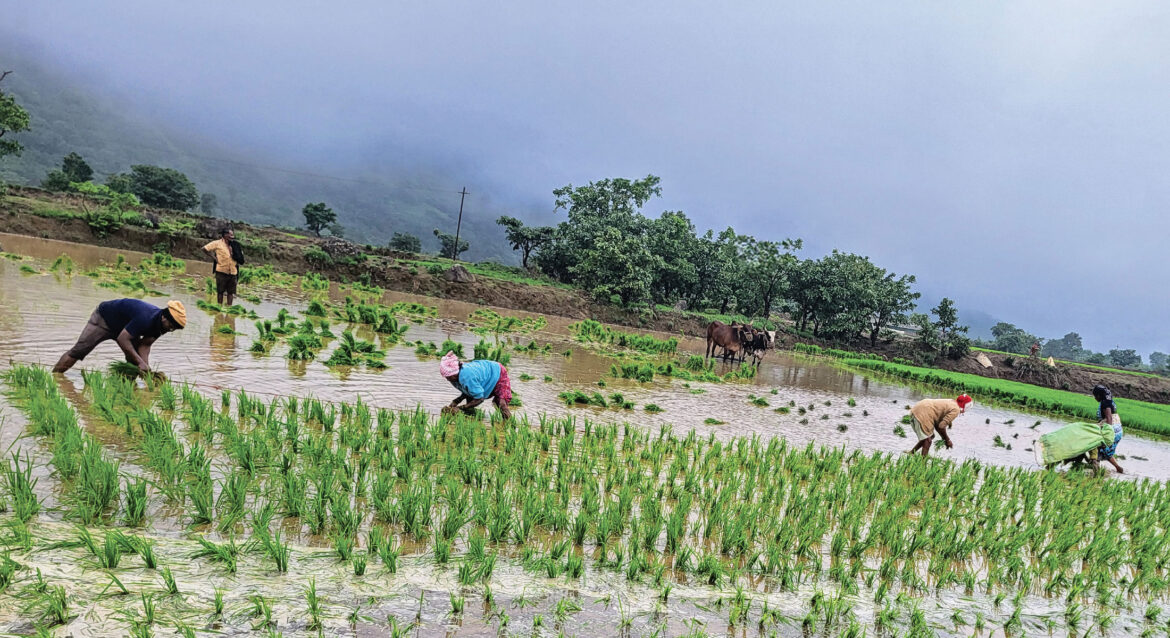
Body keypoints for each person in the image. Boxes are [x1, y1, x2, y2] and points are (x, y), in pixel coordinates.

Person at [52, 299, 187, 374]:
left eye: (175, 328)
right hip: (104, 319)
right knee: (79, 351)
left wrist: (145, 367)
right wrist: (141, 362)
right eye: (172, 325)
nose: (171, 329)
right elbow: (122, 339)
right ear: (164, 317)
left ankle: (124, 389)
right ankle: (55, 377)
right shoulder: (146, 317)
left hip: (126, 328)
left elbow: (145, 345)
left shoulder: (161, 327)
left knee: (133, 364)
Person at [439, 351, 512, 420]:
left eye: (449, 377)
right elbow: (467, 390)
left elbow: (480, 398)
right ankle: (471, 419)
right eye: (446, 377)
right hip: (485, 371)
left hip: (497, 372)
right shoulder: (454, 378)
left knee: (500, 402)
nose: (447, 379)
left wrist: (460, 408)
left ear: (455, 374)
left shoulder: (467, 376)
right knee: (470, 400)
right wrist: (456, 401)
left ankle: (508, 423)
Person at [906, 394, 972, 457]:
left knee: (929, 436)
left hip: (919, 407)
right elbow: (941, 426)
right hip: (923, 412)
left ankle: (912, 452)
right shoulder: (956, 409)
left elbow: (938, 425)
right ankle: (923, 463)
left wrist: (945, 439)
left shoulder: (952, 402)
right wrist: (947, 440)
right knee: (927, 440)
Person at [203, 228, 244, 306]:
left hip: (233, 272)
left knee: (231, 293)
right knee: (220, 292)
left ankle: (229, 308)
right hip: (221, 271)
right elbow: (204, 249)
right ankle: (219, 307)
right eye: (231, 235)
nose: (232, 237)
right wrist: (214, 258)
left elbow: (241, 257)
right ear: (225, 235)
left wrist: (236, 257)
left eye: (232, 235)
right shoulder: (217, 243)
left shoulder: (235, 245)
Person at [1091, 384, 1124, 474]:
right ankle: (1118, 469)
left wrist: (1107, 434)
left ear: (1098, 395)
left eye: (1095, 396)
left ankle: (1096, 475)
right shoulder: (1109, 401)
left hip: (1112, 430)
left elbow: (1109, 418)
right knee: (1107, 451)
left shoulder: (1105, 403)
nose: (1095, 398)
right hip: (1117, 430)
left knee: (1096, 449)